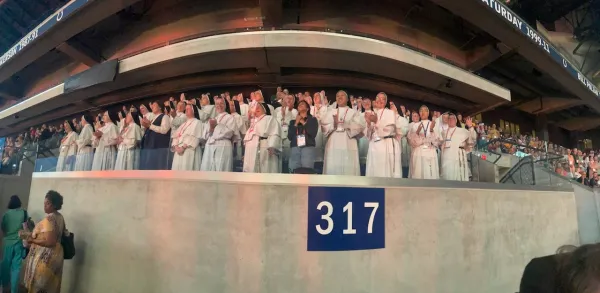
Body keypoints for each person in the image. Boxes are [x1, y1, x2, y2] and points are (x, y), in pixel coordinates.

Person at [20, 190, 70, 293]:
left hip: (46, 258)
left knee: (40, 287)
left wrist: (32, 239)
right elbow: (61, 234)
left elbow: (49, 242)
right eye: (44, 203)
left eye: (47, 203)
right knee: (50, 286)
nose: (45, 205)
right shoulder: (60, 217)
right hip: (57, 255)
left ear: (53, 205)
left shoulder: (49, 219)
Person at [320, 90, 364, 176]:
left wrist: (345, 124)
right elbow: (323, 127)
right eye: (337, 96)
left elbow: (360, 127)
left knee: (348, 167)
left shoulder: (353, 112)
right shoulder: (331, 112)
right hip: (333, 141)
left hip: (348, 141)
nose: (339, 97)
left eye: (342, 96)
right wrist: (334, 124)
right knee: (333, 165)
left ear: (347, 99)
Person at [364, 93, 407, 178]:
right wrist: (369, 124)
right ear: (375, 101)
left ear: (385, 101)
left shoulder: (390, 113)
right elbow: (368, 136)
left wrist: (376, 121)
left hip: (386, 144)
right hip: (374, 145)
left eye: (382, 99)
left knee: (385, 172)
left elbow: (389, 130)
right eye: (377, 98)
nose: (379, 100)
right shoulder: (372, 113)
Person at [201, 97, 238, 172]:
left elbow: (229, 133)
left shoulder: (230, 117)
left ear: (225, 105)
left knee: (221, 169)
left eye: (221, 103)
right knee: (208, 169)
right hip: (210, 146)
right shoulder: (213, 118)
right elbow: (205, 135)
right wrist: (211, 129)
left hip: (223, 145)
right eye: (217, 104)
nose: (219, 105)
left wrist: (215, 127)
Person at [243, 102, 281, 173]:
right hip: (251, 151)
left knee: (265, 170)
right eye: (255, 107)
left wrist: (272, 145)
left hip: (264, 147)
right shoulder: (253, 122)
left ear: (264, 109)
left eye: (259, 107)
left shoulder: (269, 118)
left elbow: (275, 132)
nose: (256, 108)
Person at [0, 195, 26, 293]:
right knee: (16, 268)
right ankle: (14, 290)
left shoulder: (6, 214)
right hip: (19, 243)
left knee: (5, 265)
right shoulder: (24, 213)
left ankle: (2, 286)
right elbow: (25, 228)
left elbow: (3, 228)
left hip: (7, 243)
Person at [439, 114, 476, 181]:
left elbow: (472, 139)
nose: (451, 120)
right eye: (449, 119)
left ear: (456, 121)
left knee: (459, 176)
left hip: (459, 155)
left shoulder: (463, 131)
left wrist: (470, 126)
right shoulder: (443, 132)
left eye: (453, 118)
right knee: (447, 175)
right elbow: (440, 143)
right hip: (447, 157)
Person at [408, 105, 440, 179]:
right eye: (421, 110)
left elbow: (437, 142)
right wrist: (417, 132)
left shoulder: (433, 124)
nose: (423, 112)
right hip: (418, 151)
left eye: (425, 110)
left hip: (430, 150)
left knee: (430, 174)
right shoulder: (415, 125)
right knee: (418, 173)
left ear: (428, 113)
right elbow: (411, 142)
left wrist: (431, 130)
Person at [288, 100, 318, 172]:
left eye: (303, 104)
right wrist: (296, 123)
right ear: (297, 109)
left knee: (307, 170)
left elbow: (312, 133)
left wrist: (303, 122)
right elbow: (290, 136)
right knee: (293, 170)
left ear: (307, 109)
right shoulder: (292, 121)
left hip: (308, 146)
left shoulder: (312, 119)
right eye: (299, 105)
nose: (300, 105)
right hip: (295, 146)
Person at [140, 101, 172, 170]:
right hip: (151, 147)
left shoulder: (165, 116)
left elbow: (164, 130)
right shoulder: (153, 119)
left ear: (160, 107)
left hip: (159, 148)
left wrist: (149, 125)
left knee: (157, 168)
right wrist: (147, 125)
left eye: (154, 105)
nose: (152, 107)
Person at [171, 105, 204, 171]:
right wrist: (176, 146)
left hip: (189, 150)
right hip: (178, 150)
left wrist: (183, 147)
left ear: (194, 111)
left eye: (188, 109)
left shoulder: (197, 122)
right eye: (185, 109)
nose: (186, 110)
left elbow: (195, 137)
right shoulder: (184, 124)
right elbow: (176, 136)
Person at [275, 95, 298, 172]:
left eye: (291, 99)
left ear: (294, 102)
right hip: (280, 136)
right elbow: (277, 123)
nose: (288, 100)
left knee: (288, 157)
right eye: (287, 98)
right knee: (280, 158)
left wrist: (286, 116)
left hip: (289, 136)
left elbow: (294, 123)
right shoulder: (278, 111)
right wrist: (282, 117)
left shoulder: (295, 111)